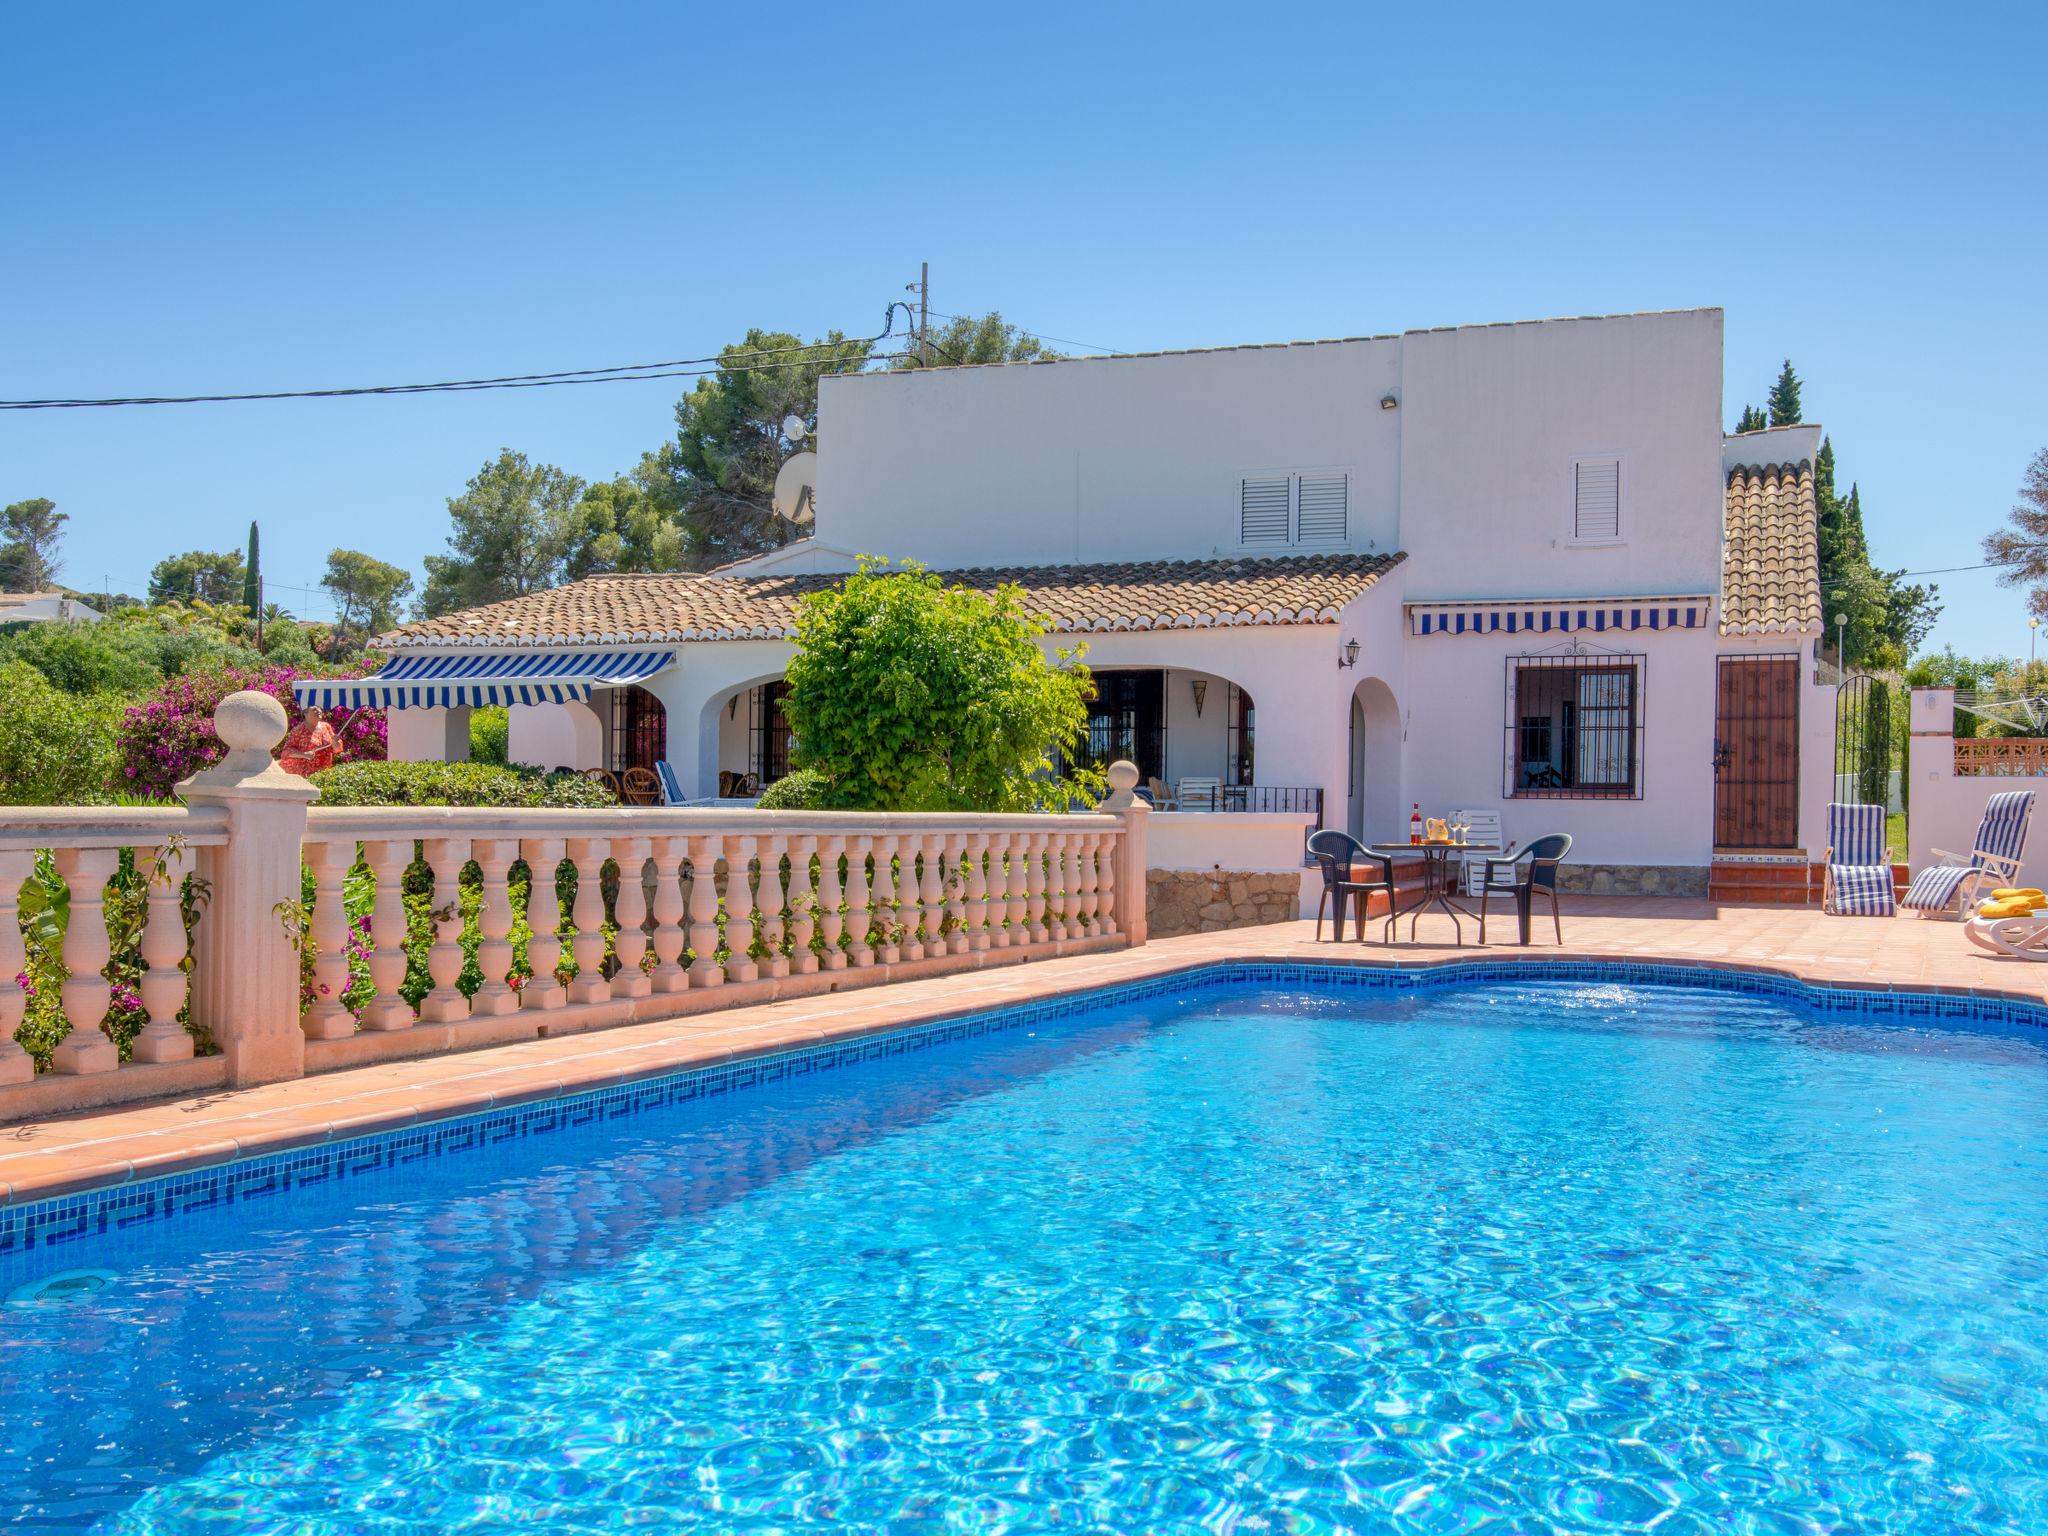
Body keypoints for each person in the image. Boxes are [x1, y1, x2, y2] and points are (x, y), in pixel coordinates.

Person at [278, 705, 339, 778]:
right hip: (302, 774)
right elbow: (286, 752)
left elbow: (337, 749)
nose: (319, 711)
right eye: (315, 709)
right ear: (305, 713)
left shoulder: (326, 727)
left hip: (323, 774)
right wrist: (304, 755)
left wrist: (335, 743)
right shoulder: (298, 730)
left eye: (319, 708)